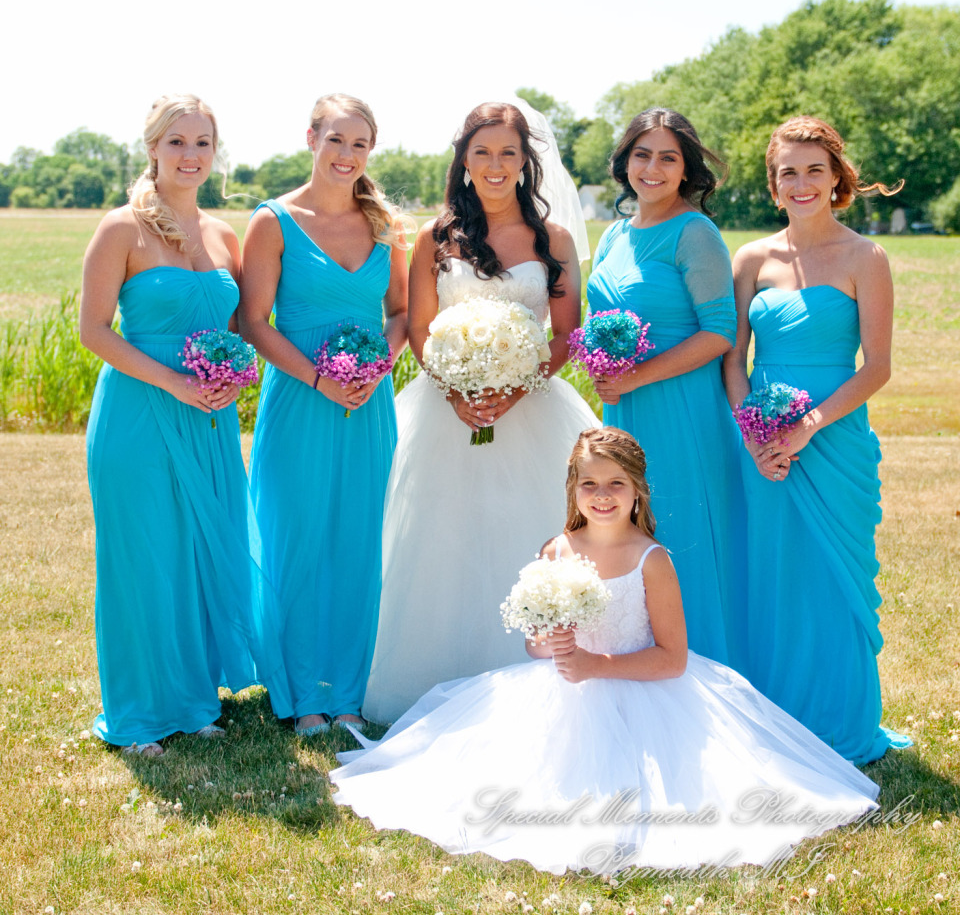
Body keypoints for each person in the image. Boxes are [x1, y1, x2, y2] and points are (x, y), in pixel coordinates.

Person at [330, 428, 880, 874]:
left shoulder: (651, 561)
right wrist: (552, 644)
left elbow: (673, 659)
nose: (602, 495)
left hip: (648, 691)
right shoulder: (556, 550)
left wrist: (596, 665)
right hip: (562, 691)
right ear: (572, 489)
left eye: (617, 483)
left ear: (638, 490)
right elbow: (535, 643)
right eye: (589, 483)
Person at [361, 101, 599, 725]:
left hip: (534, 409)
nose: (496, 165)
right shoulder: (435, 237)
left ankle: (537, 677)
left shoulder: (554, 240)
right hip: (446, 411)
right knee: (442, 538)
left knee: (529, 532)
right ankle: (433, 676)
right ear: (464, 160)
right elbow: (420, 328)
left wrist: (515, 388)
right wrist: (456, 390)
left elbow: (567, 334)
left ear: (525, 162)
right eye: (483, 152)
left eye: (508, 153)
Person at [81, 94, 285, 756]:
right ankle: (138, 714)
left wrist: (231, 377)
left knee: (199, 552)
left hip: (209, 418)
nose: (190, 155)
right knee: (143, 558)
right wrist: (174, 382)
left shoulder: (224, 235)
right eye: (177, 142)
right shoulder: (121, 229)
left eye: (202, 143)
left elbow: (238, 326)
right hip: (139, 413)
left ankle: (194, 701)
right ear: (153, 148)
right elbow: (93, 331)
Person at [723, 115, 911, 764]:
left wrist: (808, 426)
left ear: (836, 179)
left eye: (813, 170)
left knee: (834, 576)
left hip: (834, 441)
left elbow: (877, 367)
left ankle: (843, 721)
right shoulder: (751, 259)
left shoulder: (866, 257)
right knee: (773, 574)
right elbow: (733, 360)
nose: (800, 183)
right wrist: (755, 435)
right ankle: (778, 716)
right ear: (773, 185)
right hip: (762, 446)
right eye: (788, 173)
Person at [240, 93, 410, 735]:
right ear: (311, 138)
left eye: (359, 143)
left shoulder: (385, 225)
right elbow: (254, 322)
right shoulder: (273, 221)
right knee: (298, 537)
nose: (347, 154)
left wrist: (377, 367)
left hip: (367, 404)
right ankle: (300, 691)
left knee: (359, 539)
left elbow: (401, 313)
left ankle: (348, 691)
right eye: (336, 139)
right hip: (299, 399)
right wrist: (319, 378)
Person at [586, 108, 743, 665]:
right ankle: (638, 672)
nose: (652, 168)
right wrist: (602, 368)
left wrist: (636, 376)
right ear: (625, 162)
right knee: (629, 541)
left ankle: (698, 672)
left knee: (678, 537)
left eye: (668, 158)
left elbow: (720, 331)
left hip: (681, 410)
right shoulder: (613, 234)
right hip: (624, 412)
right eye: (642, 155)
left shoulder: (695, 233)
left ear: (686, 169)